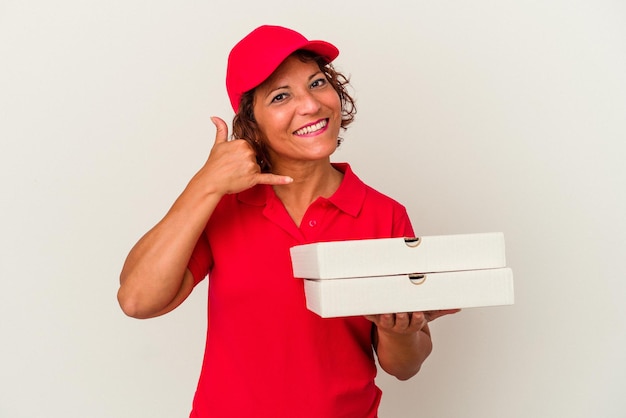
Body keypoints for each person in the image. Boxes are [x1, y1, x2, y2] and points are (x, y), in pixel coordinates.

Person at [118, 24, 459, 418]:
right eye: (281, 96)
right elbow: (137, 300)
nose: (311, 105)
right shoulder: (223, 207)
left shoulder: (383, 214)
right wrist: (205, 185)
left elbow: (404, 367)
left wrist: (398, 330)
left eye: (317, 83)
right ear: (252, 124)